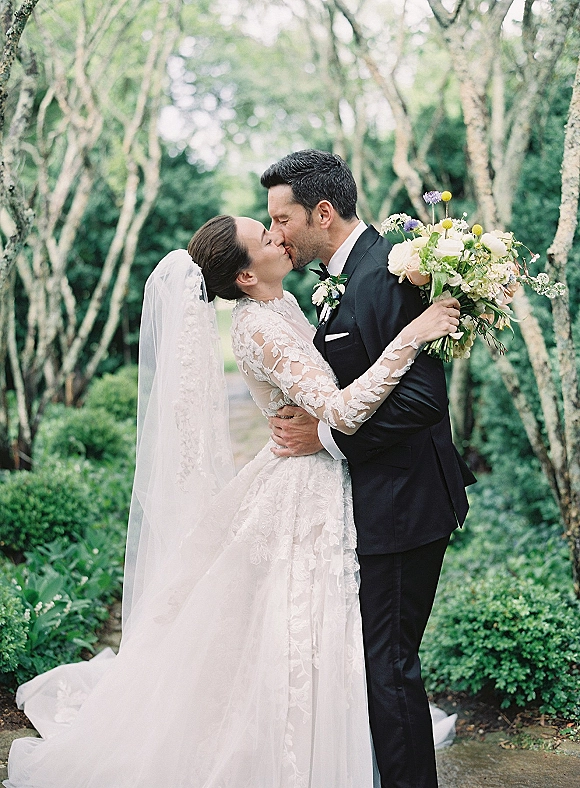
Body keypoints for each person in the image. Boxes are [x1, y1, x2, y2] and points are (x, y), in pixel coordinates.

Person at [4, 215, 460, 788]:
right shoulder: (258, 327)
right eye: (266, 237)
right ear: (245, 276)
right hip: (303, 486)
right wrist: (413, 334)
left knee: (321, 631)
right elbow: (341, 411)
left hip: (321, 477)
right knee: (294, 626)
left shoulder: (283, 304)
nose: (278, 237)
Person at [260, 150, 477, 788]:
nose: (275, 232)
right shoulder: (345, 275)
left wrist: (324, 437)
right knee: (376, 661)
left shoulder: (385, 274)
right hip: (378, 502)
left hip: (404, 505)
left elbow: (422, 401)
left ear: (322, 213)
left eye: (282, 218)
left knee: (389, 666)